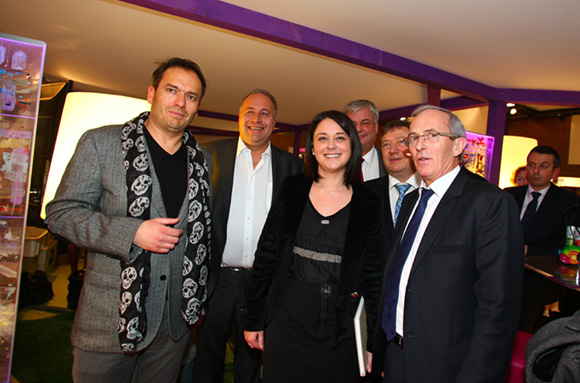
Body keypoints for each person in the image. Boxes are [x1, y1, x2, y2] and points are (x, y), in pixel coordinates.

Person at [45, 57, 212, 382]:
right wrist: (131, 232)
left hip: (172, 324)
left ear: (197, 107)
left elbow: (200, 235)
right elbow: (61, 214)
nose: (180, 102)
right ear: (151, 93)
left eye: (191, 96)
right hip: (110, 319)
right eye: (172, 90)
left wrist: (197, 296)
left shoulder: (201, 159)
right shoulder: (101, 143)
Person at [373, 105, 524, 382]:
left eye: (431, 135)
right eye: (414, 138)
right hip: (396, 358)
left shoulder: (489, 203)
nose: (419, 146)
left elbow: (498, 306)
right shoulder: (410, 201)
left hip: (447, 368)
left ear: (458, 146)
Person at [243, 110, 385, 383]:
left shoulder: (369, 201)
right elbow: (267, 256)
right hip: (285, 322)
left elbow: (374, 275)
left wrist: (371, 340)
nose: (331, 146)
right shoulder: (292, 189)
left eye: (340, 138)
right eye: (322, 138)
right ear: (312, 147)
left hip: (341, 329)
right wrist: (254, 318)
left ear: (352, 145)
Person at [195, 89, 303, 383]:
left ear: (275, 121)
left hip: (262, 281)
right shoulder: (209, 155)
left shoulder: (292, 166)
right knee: (208, 354)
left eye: (265, 113)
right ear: (239, 117)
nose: (257, 119)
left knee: (252, 356)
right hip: (217, 278)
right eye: (250, 112)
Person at [505, 146, 580, 332]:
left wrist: (529, 250)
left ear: (555, 171)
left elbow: (566, 246)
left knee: (522, 333)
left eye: (543, 166)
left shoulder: (568, 203)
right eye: (531, 165)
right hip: (501, 276)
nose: (535, 171)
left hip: (537, 283)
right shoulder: (508, 195)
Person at [366, 120, 421, 236]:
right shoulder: (365, 192)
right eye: (386, 144)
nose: (393, 150)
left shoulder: (431, 191)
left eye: (401, 142)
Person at [344, 99, 386, 181]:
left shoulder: (389, 162)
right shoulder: (334, 164)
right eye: (352, 124)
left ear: (376, 127)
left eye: (365, 123)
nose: (358, 129)